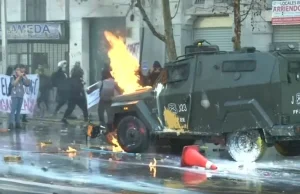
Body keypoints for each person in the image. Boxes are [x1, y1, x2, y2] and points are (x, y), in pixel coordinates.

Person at [8, 64, 30, 129]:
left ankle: (17, 123)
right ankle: (11, 123)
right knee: (13, 109)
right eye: (17, 70)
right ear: (15, 71)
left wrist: (24, 76)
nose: (19, 71)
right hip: (14, 95)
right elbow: (13, 84)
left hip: (20, 95)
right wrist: (19, 77)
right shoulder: (13, 77)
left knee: (18, 110)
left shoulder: (22, 77)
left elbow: (28, 83)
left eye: (19, 70)